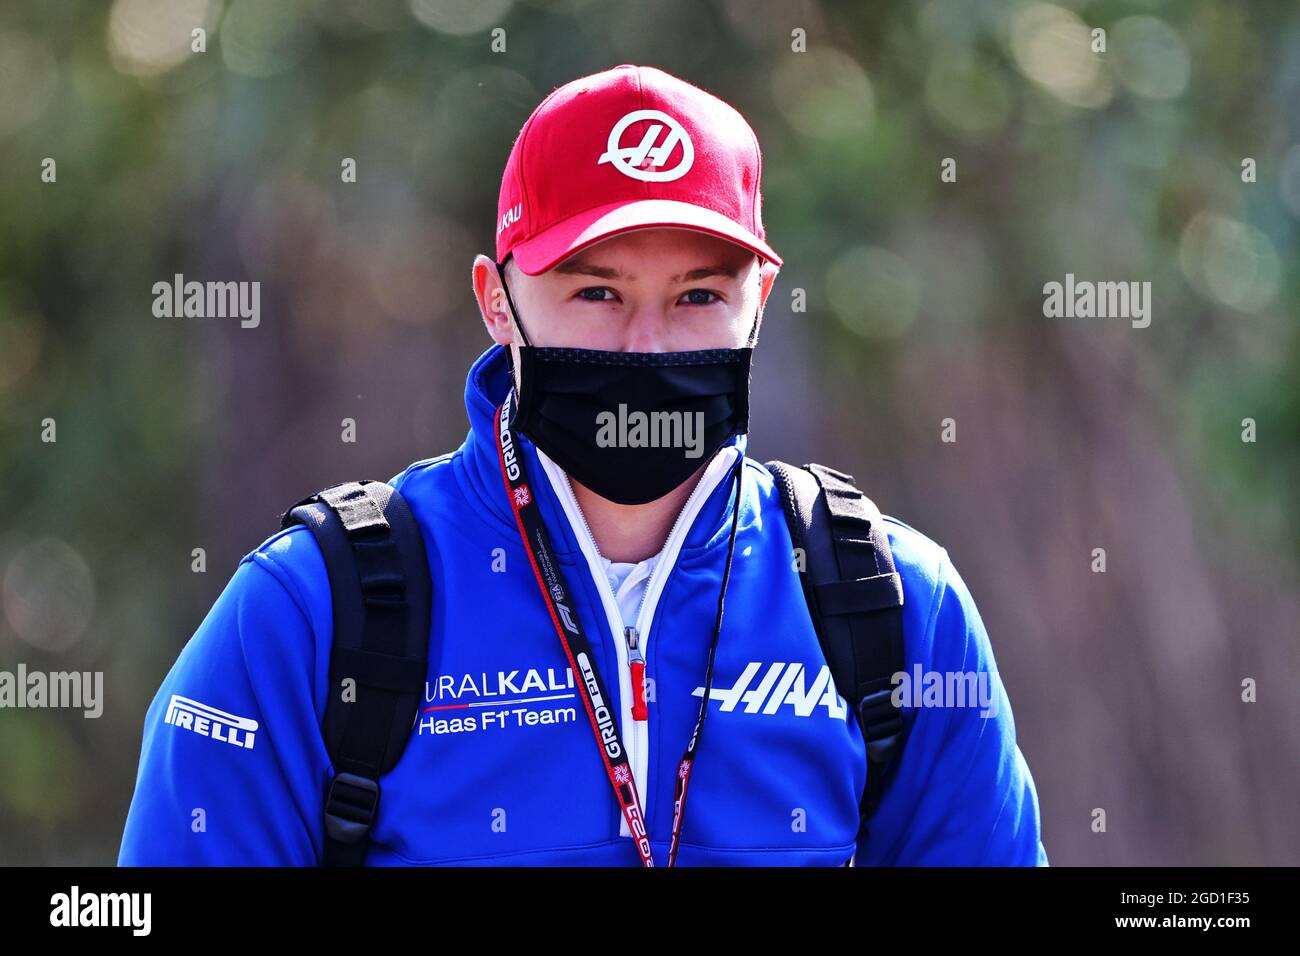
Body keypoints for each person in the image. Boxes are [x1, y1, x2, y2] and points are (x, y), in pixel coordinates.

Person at [119, 63, 1047, 866]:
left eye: (698, 295)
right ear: (496, 299)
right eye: (595, 290)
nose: (645, 347)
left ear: (760, 301)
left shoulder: (888, 605)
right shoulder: (314, 611)